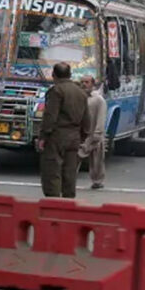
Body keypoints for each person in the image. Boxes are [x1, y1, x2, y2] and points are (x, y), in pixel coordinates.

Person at [39, 62, 91, 198]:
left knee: (53, 170)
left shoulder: (56, 91)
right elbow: (87, 118)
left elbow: (50, 116)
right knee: (70, 171)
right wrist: (83, 136)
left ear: (53, 75)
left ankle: (53, 202)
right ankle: (68, 201)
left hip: (57, 135)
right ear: (70, 75)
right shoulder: (81, 92)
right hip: (74, 135)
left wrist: (43, 136)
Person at [78, 74, 107, 190]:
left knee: (97, 161)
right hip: (81, 134)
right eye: (82, 82)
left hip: (95, 134)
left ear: (92, 84)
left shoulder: (98, 100)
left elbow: (101, 117)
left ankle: (97, 181)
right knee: (75, 157)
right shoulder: (79, 98)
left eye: (87, 82)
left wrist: (98, 133)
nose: (84, 84)